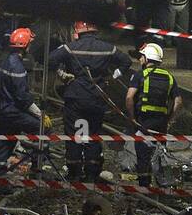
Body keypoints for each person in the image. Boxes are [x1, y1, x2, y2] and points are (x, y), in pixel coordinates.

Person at [48, 21, 133, 181]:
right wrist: (113, 76)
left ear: (79, 31)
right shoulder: (107, 47)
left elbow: (51, 59)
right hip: (97, 97)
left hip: (76, 97)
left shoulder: (70, 47)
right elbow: (126, 61)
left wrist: (61, 73)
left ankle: (74, 172)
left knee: (75, 135)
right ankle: (92, 172)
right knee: (93, 134)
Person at [0, 28, 49, 177]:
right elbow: (22, 97)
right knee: (42, 129)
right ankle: (38, 169)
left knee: (4, 142)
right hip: (14, 111)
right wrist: (40, 114)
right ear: (25, 46)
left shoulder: (4, 62)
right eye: (29, 43)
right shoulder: (17, 66)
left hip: (4, 110)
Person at [125, 42, 182, 189]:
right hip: (161, 123)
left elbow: (129, 97)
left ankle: (144, 187)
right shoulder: (169, 77)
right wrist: (170, 120)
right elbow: (178, 101)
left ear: (147, 58)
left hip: (144, 122)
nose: (140, 60)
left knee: (143, 156)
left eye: (141, 57)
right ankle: (161, 186)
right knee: (159, 155)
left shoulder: (140, 75)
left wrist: (132, 118)